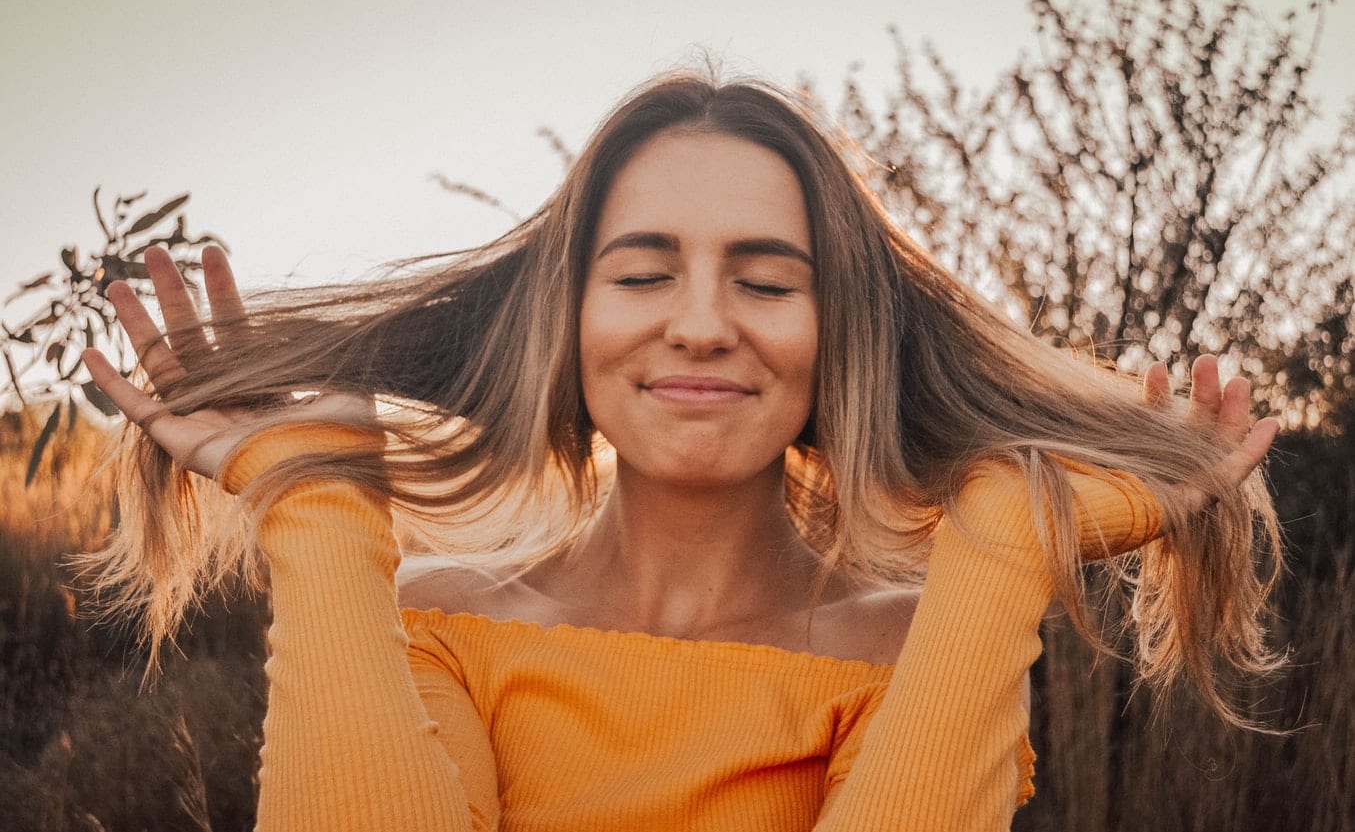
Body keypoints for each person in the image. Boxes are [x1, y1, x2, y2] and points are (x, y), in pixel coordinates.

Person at [81, 71, 1282, 831]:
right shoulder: (441, 626)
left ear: (837, 333)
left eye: (765, 281)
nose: (700, 321)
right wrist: (326, 510)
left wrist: (1004, 536)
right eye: (642, 272)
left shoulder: (913, 650)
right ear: (569, 322)